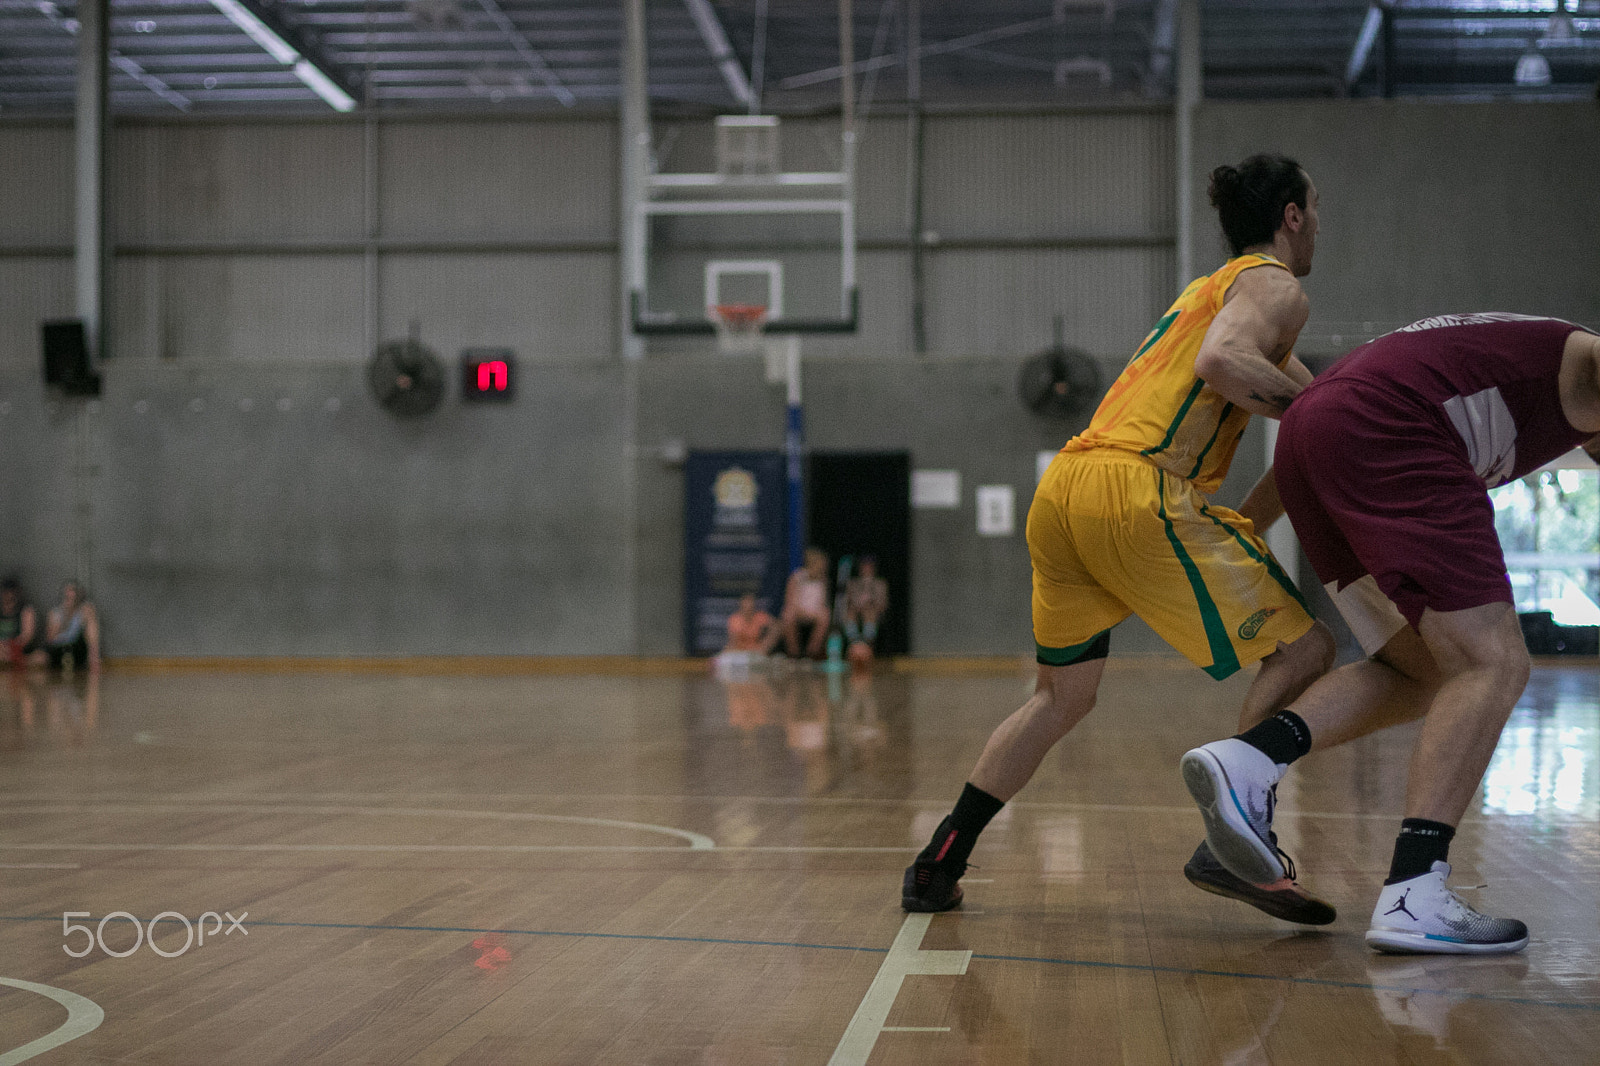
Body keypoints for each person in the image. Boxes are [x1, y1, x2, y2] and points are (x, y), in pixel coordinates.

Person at [903, 154, 1338, 920]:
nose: (1319, 225)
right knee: (1306, 649)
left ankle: (940, 860)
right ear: (1292, 217)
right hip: (1136, 488)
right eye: (1315, 209)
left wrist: (1305, 444)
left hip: (1067, 488)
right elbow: (1227, 365)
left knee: (1059, 696)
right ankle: (1237, 839)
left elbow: (1307, 414)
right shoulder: (1274, 285)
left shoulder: (1206, 293)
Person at [1182, 314, 1600, 954]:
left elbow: (1328, 417)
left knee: (1420, 671)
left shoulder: (1515, 360)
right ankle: (1415, 893)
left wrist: (1240, 529)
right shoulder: (1574, 357)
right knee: (1492, 663)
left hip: (1315, 436)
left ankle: (1252, 757)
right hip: (1393, 429)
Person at [780, 548, 832, 660]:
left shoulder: (823, 580)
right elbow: (790, 600)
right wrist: (801, 611)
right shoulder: (796, 577)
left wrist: (812, 612)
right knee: (788, 614)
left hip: (814, 612)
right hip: (798, 610)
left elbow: (823, 603)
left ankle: (811, 653)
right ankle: (793, 654)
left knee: (825, 615)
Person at [43, 580, 99, 674]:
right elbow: (50, 639)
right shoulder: (55, 613)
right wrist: (66, 616)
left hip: (76, 647)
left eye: (73, 594)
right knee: (40, 658)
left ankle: (93, 660)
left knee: (90, 615)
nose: (70, 597)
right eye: (67, 596)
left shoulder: (85, 610)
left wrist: (94, 658)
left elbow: (92, 637)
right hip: (58, 649)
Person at [842, 557, 889, 659]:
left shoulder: (880, 584)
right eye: (864, 566)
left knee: (869, 612)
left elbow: (883, 604)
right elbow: (848, 601)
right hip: (856, 610)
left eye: (869, 567)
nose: (866, 569)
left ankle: (867, 642)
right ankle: (855, 642)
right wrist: (859, 606)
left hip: (874, 611)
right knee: (850, 613)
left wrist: (871, 604)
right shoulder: (853, 583)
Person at [0, 579, 39, 669]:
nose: (8, 599)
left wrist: (11, 645)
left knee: (40, 658)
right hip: (2, 649)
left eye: (11, 598)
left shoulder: (26, 610)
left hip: (18, 649)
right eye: (5, 595)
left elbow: (27, 636)